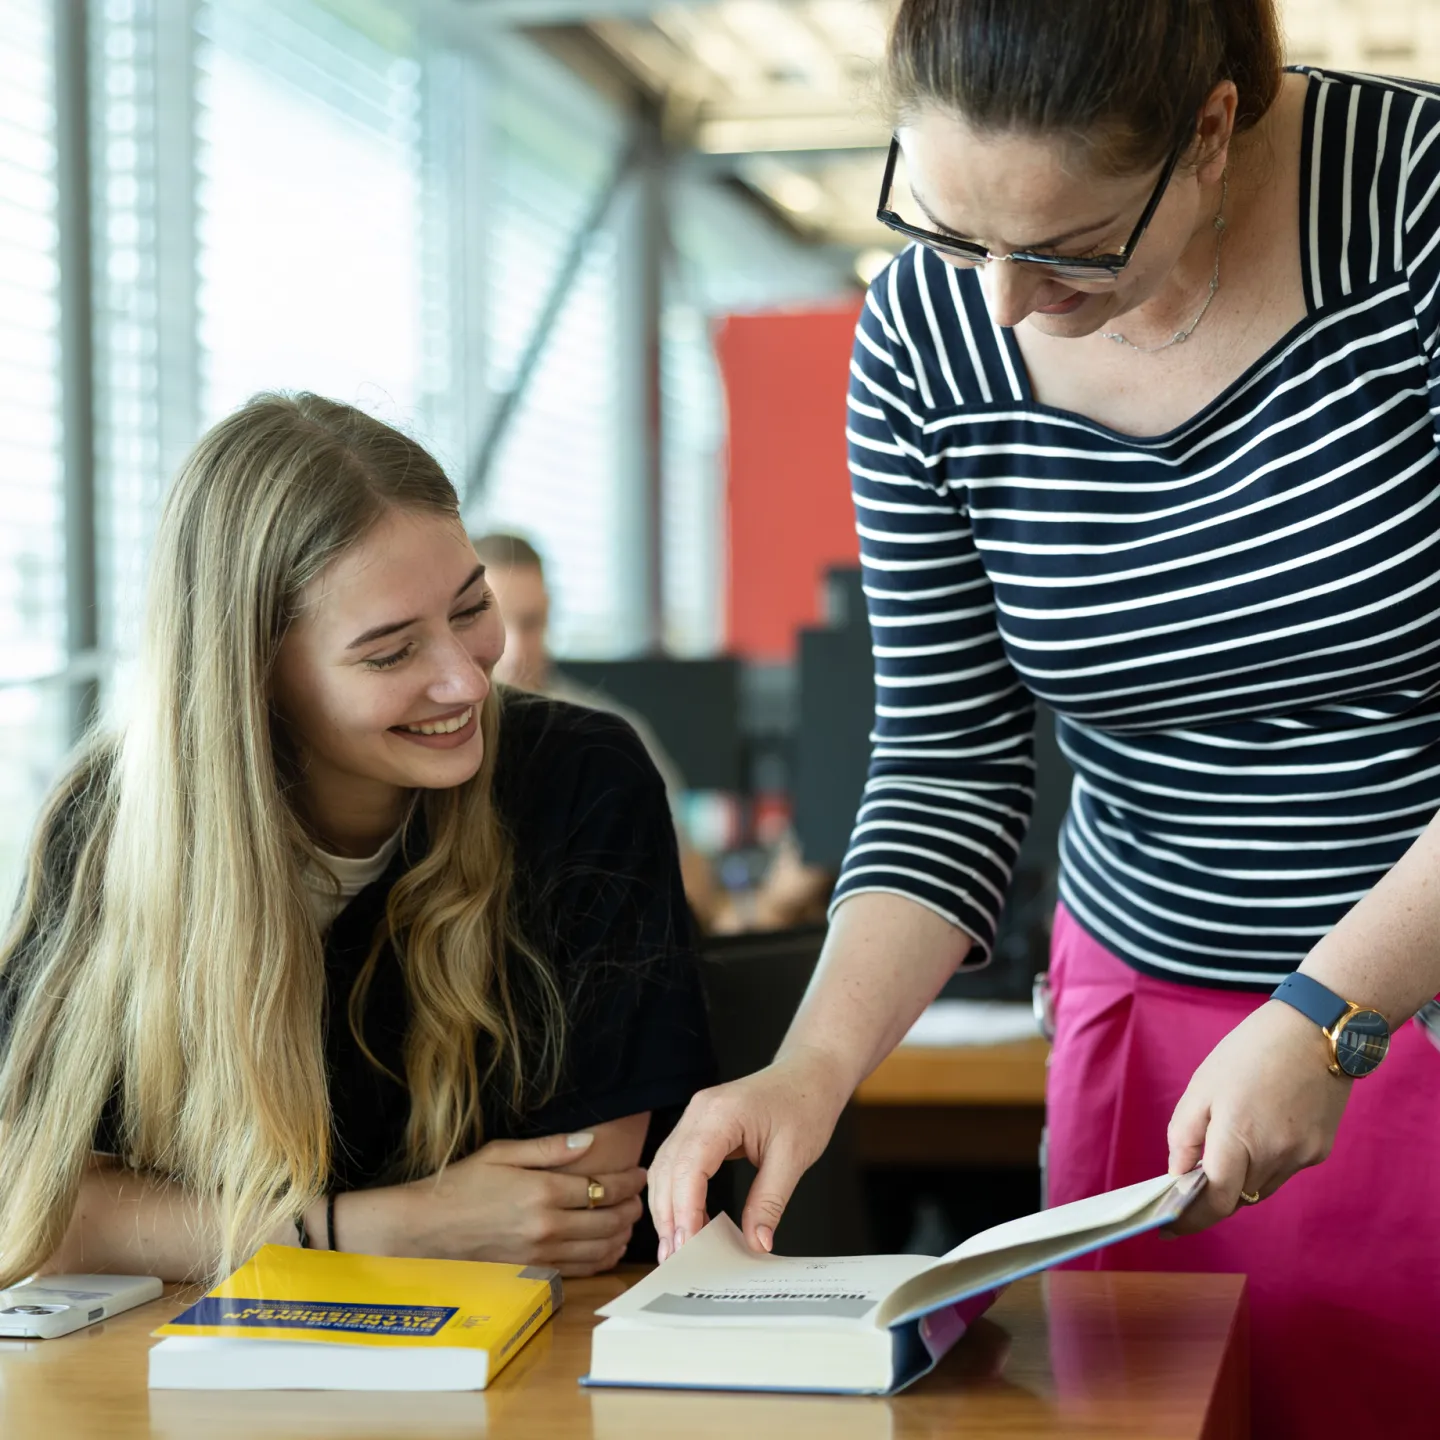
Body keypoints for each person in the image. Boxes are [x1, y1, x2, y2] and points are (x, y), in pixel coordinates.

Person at [648, 2, 1440, 1431]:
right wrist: (812, 1070)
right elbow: (946, 761)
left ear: (1209, 133)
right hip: (1145, 1006)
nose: (1002, 301)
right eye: (952, 231)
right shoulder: (925, 335)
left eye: (1069, 250)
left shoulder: (1411, 213)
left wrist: (1332, 1014)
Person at [0, 393, 714, 1289]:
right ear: (255, 675)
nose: (464, 679)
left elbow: (576, 1212)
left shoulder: (580, 779)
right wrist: (377, 1228)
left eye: (470, 608)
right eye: (390, 654)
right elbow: (32, 1200)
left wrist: (193, 1225)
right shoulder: (112, 817)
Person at [472, 532, 725, 928]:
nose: (518, 648)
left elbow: (691, 880)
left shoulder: (606, 733)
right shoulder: (443, 735)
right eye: (500, 624)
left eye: (532, 623)